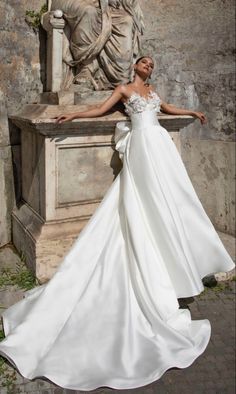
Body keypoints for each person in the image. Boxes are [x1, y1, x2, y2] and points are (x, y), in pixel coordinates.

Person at [0, 57, 234, 391]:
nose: (149, 66)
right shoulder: (124, 89)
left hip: (159, 147)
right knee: (142, 198)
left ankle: (173, 261)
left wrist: (191, 113)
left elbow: (166, 108)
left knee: (171, 201)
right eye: (144, 62)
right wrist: (75, 114)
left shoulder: (152, 92)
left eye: (152, 64)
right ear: (135, 66)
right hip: (141, 148)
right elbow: (100, 109)